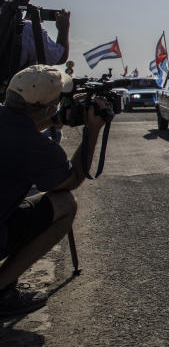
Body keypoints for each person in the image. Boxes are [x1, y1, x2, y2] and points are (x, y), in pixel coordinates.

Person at [0, 65, 105, 317]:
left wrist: (52, 119)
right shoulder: (36, 147)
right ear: (48, 108)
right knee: (65, 204)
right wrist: (92, 131)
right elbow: (72, 179)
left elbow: (18, 125)